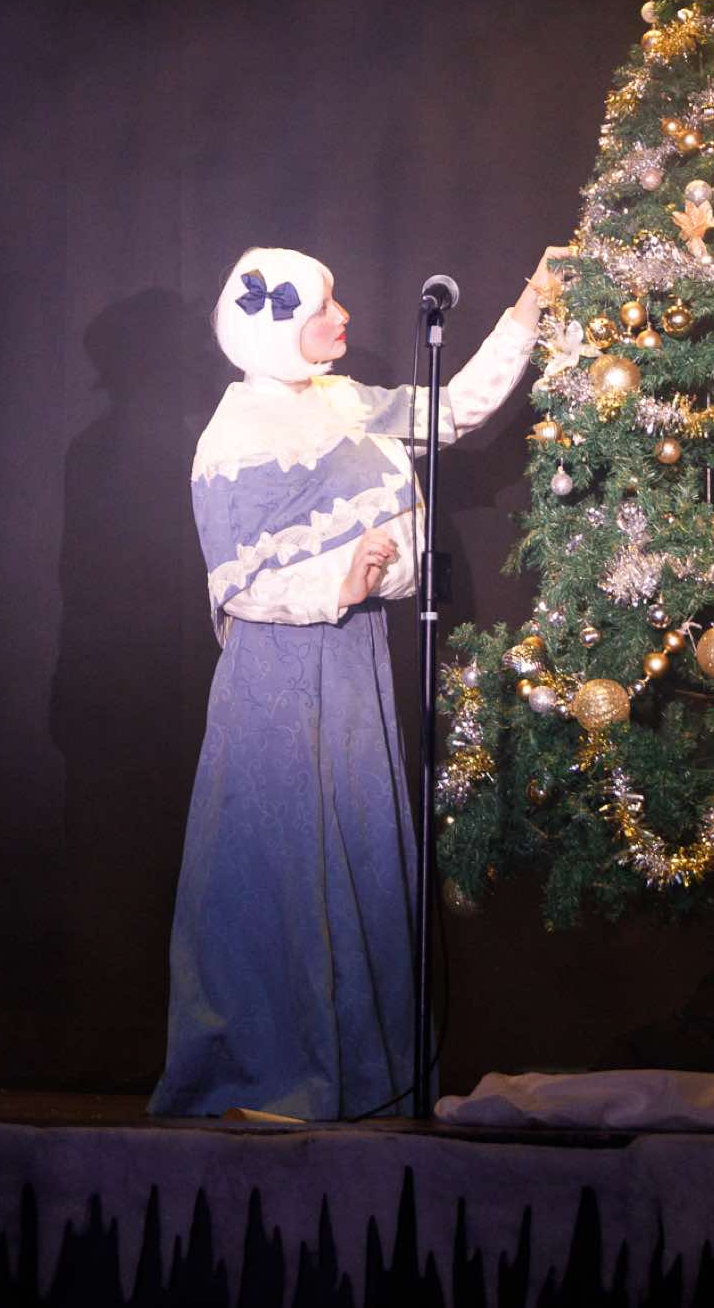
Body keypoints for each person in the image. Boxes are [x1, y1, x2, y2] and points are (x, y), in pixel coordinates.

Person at [150, 244, 571, 1119]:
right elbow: (235, 581)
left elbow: (452, 411)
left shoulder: (342, 400)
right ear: (275, 329)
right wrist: (334, 582)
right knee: (279, 859)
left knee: (357, 845)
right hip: (277, 673)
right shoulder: (234, 435)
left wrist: (532, 305)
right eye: (322, 309)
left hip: (353, 659)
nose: (343, 319)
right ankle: (268, 1067)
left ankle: (362, 1071)